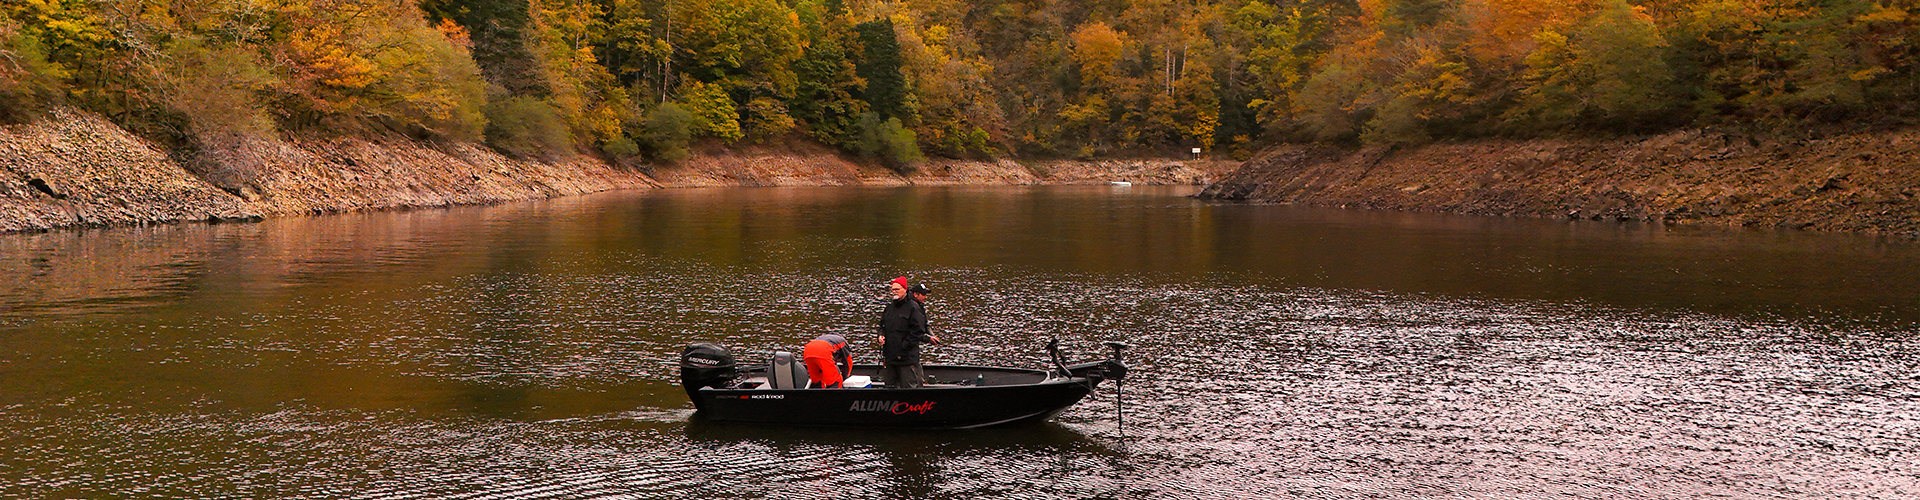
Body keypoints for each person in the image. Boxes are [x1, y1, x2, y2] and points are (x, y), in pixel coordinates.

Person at [877, 276, 939, 388]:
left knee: (910, 387)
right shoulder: (889, 308)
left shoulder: (913, 308)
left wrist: (903, 347)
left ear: (905, 289)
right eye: (893, 289)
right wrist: (881, 335)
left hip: (907, 359)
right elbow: (882, 325)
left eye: (897, 289)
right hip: (890, 357)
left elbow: (918, 331)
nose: (895, 292)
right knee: (889, 387)